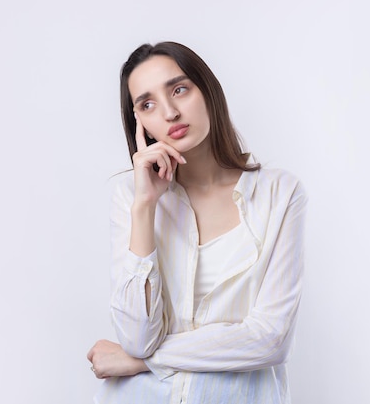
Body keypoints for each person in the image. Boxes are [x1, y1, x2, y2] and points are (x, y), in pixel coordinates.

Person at [87, 41, 308, 404]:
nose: (170, 112)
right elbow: (137, 337)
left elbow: (271, 339)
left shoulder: (280, 193)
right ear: (138, 123)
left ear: (207, 90)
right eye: (147, 104)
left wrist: (139, 362)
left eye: (179, 89)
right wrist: (145, 206)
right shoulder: (131, 197)